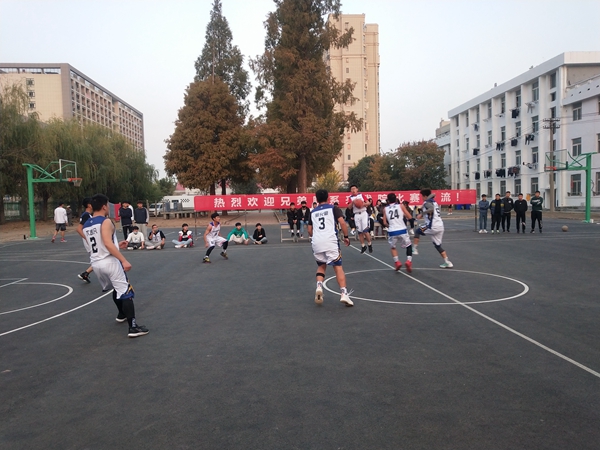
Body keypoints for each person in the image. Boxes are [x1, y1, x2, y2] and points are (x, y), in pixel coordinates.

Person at [82, 193, 148, 338]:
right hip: (110, 262)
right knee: (126, 292)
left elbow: (100, 243)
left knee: (115, 288)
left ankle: (121, 314)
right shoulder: (106, 221)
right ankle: (133, 327)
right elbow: (107, 242)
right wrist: (123, 260)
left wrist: (117, 245)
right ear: (104, 206)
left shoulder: (87, 224)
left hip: (96, 263)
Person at [308, 189, 353, 306]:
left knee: (321, 266)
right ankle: (344, 293)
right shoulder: (333, 208)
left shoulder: (312, 212)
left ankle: (319, 286)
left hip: (317, 242)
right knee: (338, 267)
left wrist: (316, 237)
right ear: (328, 198)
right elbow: (342, 223)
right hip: (330, 241)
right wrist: (346, 236)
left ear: (316, 199)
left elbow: (309, 230)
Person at [412, 189, 453, 268]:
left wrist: (421, 214)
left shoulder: (427, 203)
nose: (421, 198)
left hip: (433, 226)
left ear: (425, 196)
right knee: (437, 245)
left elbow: (431, 209)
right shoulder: (434, 202)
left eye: (422, 196)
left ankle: (415, 248)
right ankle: (447, 262)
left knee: (417, 231)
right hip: (440, 226)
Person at [383, 193, 414, 272]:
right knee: (408, 245)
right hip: (402, 229)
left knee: (393, 247)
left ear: (388, 200)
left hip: (392, 231)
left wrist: (390, 225)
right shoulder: (401, 206)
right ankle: (408, 261)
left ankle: (397, 262)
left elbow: (384, 222)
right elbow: (410, 216)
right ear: (396, 199)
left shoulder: (385, 209)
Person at [348, 184, 372, 253]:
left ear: (357, 189)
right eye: (352, 189)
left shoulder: (361, 195)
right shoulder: (350, 198)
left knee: (365, 230)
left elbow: (368, 203)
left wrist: (362, 204)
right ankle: (363, 246)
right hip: (356, 215)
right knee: (360, 232)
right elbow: (349, 207)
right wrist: (353, 202)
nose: (353, 190)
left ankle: (369, 244)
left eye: (354, 188)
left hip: (363, 213)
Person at [76, 197, 94, 283]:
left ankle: (85, 273)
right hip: (90, 241)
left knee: (98, 259)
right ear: (89, 205)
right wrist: (87, 238)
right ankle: (85, 273)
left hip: (91, 240)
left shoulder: (88, 215)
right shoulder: (86, 215)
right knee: (98, 259)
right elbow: (79, 229)